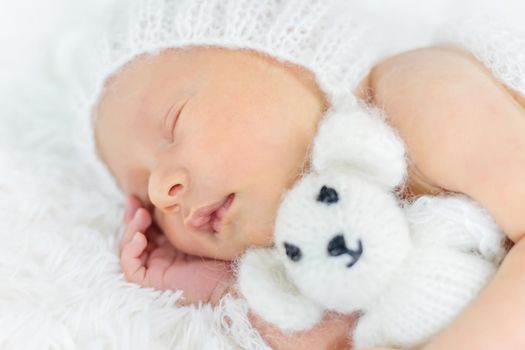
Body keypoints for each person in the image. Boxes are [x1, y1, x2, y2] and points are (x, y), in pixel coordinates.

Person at [77, 0, 525, 349]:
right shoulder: (327, 244)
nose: (162, 191)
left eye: (173, 123)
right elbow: (353, 332)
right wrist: (216, 290)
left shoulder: (417, 94)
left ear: (288, 55)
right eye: (145, 196)